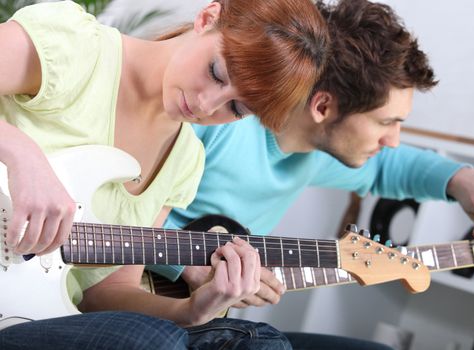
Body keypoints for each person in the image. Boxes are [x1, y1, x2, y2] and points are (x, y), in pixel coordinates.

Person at [159, 0, 474, 348]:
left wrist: (460, 178)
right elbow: (110, 208)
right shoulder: (215, 114)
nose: (393, 140)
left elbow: (386, 168)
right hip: (137, 292)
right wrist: (187, 267)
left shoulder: (315, 152)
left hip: (199, 319)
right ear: (323, 106)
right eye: (386, 122)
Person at [0, 0, 329, 349]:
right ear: (207, 18)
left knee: (261, 342)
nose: (207, 105)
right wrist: (24, 155)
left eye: (236, 108)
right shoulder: (76, 45)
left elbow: (103, 294)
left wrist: (194, 309)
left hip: (24, 318)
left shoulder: (184, 160)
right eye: (216, 72)